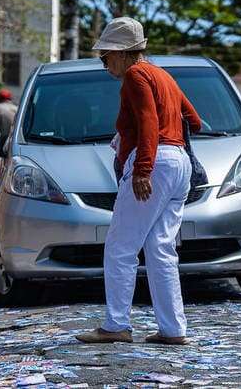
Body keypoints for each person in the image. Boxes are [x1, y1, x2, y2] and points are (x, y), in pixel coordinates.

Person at [76, 17, 202, 345]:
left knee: (120, 247)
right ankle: (173, 329)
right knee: (160, 248)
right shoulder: (162, 74)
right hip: (179, 164)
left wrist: (143, 168)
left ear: (121, 53)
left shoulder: (135, 75)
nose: (104, 64)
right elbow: (195, 119)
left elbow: (148, 121)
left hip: (156, 162)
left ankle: (117, 324)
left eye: (105, 57)